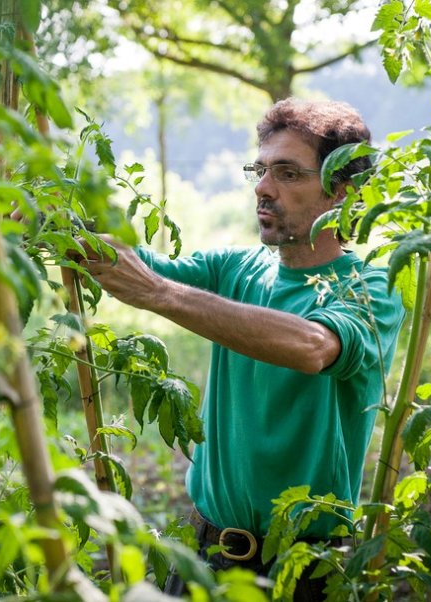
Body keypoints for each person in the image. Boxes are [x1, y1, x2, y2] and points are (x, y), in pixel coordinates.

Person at [78, 99, 405, 601]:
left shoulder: (370, 288)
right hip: (204, 554)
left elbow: (314, 345)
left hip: (305, 568)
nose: (262, 188)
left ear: (342, 190)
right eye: (261, 170)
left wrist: (161, 294)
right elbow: (133, 266)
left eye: (288, 173)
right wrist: (62, 225)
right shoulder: (236, 269)